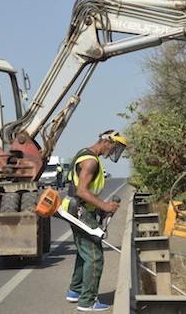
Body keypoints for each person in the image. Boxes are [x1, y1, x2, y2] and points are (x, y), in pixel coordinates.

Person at [64, 129, 128, 312]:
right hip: (79, 210)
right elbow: (82, 191)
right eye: (115, 147)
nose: (114, 153)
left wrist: (100, 206)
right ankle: (87, 301)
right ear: (106, 142)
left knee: (84, 252)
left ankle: (75, 291)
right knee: (94, 256)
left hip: (77, 208)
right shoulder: (91, 161)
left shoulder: (88, 155)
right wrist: (105, 207)